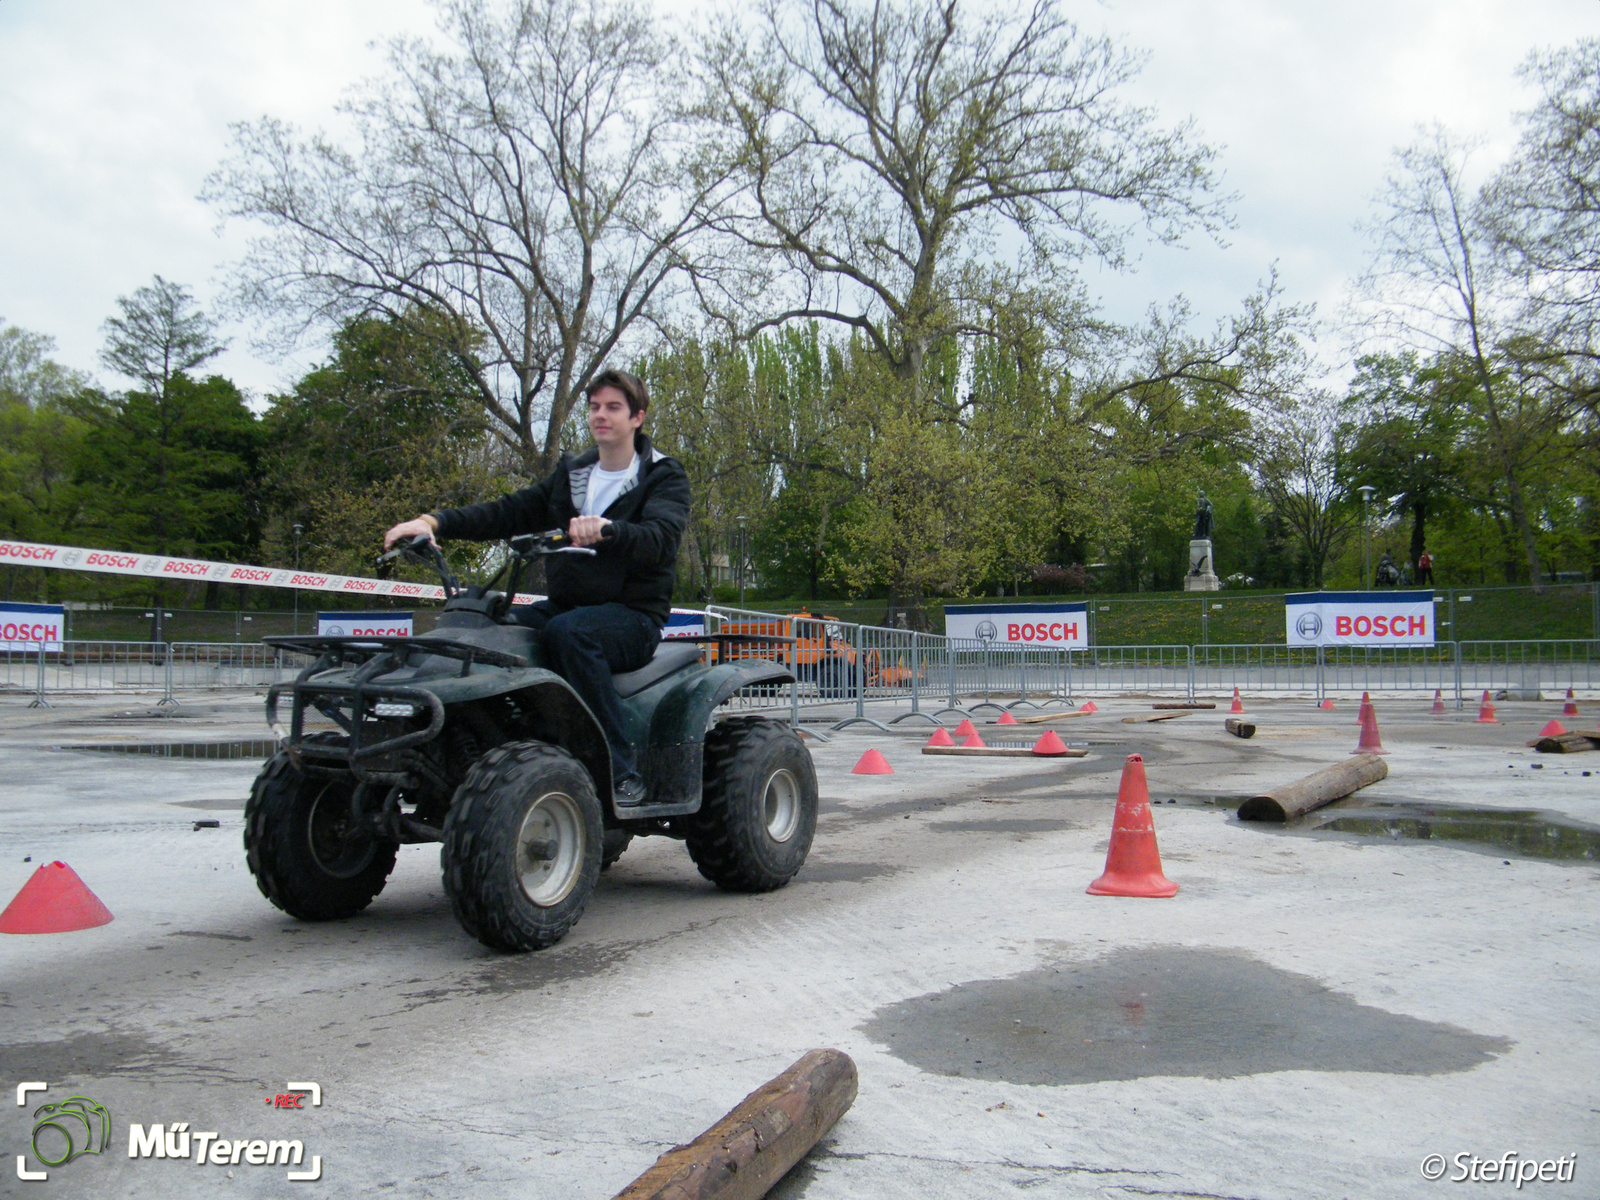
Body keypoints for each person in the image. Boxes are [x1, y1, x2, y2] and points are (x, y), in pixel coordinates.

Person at [383, 369, 690, 808]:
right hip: (565, 608)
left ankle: (620, 769)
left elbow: (662, 538)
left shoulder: (662, 475)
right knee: (489, 627)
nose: (600, 415)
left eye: (613, 407)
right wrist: (434, 522)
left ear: (638, 417)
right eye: (595, 406)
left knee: (571, 633)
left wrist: (610, 530)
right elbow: (509, 511)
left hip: (632, 617)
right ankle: (474, 752)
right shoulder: (574, 474)